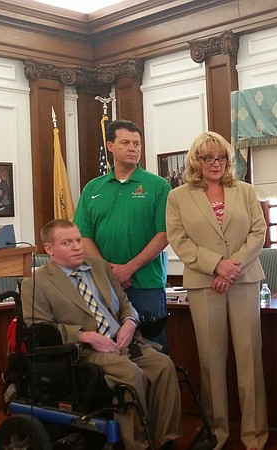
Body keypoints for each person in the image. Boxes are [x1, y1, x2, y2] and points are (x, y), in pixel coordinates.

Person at [21, 219, 181, 450]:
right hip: (86, 350)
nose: (77, 246)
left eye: (78, 240)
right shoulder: (36, 283)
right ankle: (137, 444)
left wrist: (130, 321)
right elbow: (39, 328)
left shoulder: (99, 267)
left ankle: (165, 439)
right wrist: (84, 336)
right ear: (49, 249)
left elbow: (125, 303)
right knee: (129, 373)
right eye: (67, 242)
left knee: (163, 365)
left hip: (124, 340)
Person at [166, 131, 268, 450]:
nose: (215, 163)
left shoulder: (246, 191)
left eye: (221, 157)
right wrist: (215, 265)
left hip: (244, 280)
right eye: (208, 157)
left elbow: (259, 232)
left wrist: (231, 266)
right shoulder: (178, 196)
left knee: (250, 359)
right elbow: (179, 240)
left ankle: (254, 435)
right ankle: (217, 433)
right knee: (211, 361)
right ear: (196, 160)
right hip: (204, 283)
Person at [74, 119, 172, 351]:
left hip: (146, 284)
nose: (133, 148)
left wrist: (128, 268)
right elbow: (83, 235)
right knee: (110, 348)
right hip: (102, 284)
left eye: (137, 144)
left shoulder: (158, 186)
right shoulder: (92, 189)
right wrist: (108, 272)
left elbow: (165, 233)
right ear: (110, 146)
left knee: (152, 349)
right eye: (126, 142)